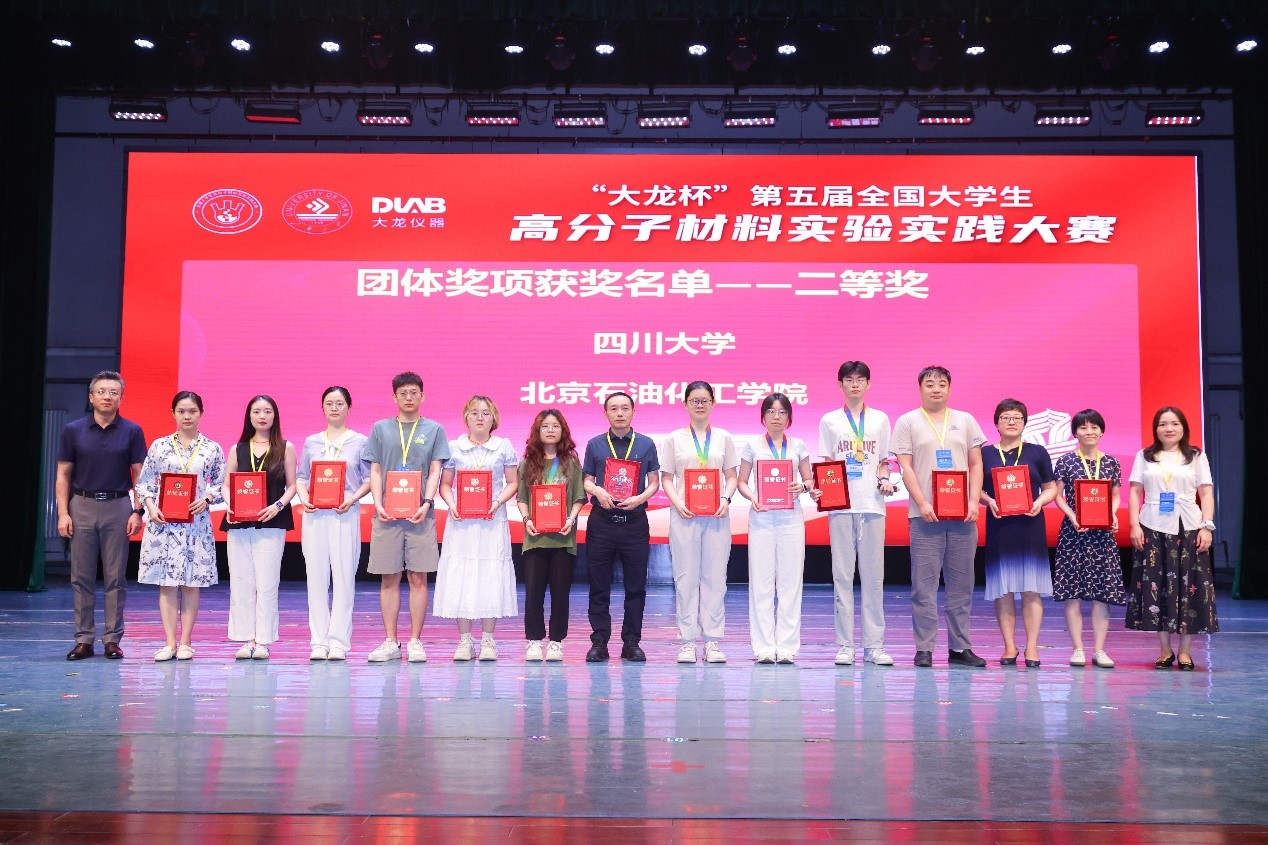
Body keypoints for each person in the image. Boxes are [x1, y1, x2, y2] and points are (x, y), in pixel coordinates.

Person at [893, 366, 988, 668]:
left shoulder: (965, 420)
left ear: (949, 388)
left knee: (962, 586)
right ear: (920, 388)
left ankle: (960, 647)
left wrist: (973, 500)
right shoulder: (907, 421)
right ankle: (924, 648)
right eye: (930, 384)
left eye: (942, 384)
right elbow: (905, 467)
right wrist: (921, 502)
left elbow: (976, 464)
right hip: (925, 516)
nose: (936, 389)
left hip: (963, 518)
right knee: (924, 587)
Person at [56, 370, 147, 660]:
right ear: (91, 396)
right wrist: (63, 513)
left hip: (118, 507)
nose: (107, 397)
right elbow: (63, 475)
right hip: (81, 505)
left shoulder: (132, 431)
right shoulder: (73, 430)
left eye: (113, 392)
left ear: (121, 398)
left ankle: (112, 640)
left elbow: (139, 475)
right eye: (102, 392)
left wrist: (138, 510)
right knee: (81, 577)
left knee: (115, 578)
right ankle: (84, 640)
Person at [363, 372, 449, 664]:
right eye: (403, 393)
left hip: (420, 514)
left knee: (418, 577)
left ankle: (415, 641)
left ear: (422, 396)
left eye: (414, 393)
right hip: (387, 514)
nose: (409, 398)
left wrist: (427, 502)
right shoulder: (380, 429)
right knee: (389, 577)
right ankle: (390, 641)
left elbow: (435, 469)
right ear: (395, 397)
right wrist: (378, 503)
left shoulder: (434, 429)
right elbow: (375, 470)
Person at [135, 391, 225, 661]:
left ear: (201, 413)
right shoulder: (159, 446)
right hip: (163, 524)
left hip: (196, 524)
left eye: (192, 411)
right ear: (173, 413)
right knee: (166, 583)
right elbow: (145, 482)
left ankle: (186, 642)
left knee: (191, 583)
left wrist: (207, 498)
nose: (187, 416)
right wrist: (150, 506)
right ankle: (169, 643)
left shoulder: (212, 448)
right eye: (182, 411)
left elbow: (223, 484)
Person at [817, 361, 896, 667]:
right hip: (840, 507)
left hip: (873, 505)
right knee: (842, 576)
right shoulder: (830, 420)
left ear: (868, 384)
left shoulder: (880, 419)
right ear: (840, 385)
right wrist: (823, 491)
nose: (854, 385)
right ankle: (845, 645)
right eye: (848, 380)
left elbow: (883, 461)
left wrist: (885, 480)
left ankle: (874, 646)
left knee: (874, 578)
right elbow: (827, 462)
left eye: (860, 380)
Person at [1127, 406, 1218, 670]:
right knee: (1157, 587)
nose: (1169, 429)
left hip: (1188, 527)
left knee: (1189, 588)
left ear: (1183, 428)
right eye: (1163, 424)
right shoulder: (1145, 455)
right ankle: (1165, 650)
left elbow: (1206, 492)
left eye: (1175, 423)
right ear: (1156, 429)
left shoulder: (1196, 455)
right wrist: (1134, 526)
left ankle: (1185, 651)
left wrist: (1206, 526)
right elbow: (1134, 492)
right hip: (1152, 526)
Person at [659, 381, 740, 664]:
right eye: (694, 400)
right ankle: (687, 641)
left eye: (705, 400)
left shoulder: (724, 437)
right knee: (686, 578)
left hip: (717, 516)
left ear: (713, 403)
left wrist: (726, 499)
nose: (700, 405)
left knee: (715, 579)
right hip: (685, 516)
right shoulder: (674, 438)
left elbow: (731, 476)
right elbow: (666, 478)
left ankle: (713, 641)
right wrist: (678, 503)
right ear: (685, 404)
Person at [435, 396, 519, 662]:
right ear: (466, 417)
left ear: (494, 418)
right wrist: (452, 505)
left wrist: (496, 503)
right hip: (461, 521)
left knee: (490, 575)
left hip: (492, 520)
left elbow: (513, 482)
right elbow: (445, 484)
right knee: (462, 575)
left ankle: (488, 640)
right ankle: (464, 641)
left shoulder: (503, 446)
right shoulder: (454, 447)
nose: (480, 417)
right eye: (474, 413)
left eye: (485, 413)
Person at [737, 393, 818, 664]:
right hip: (761, 517)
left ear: (789, 417)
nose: (776, 417)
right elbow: (742, 481)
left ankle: (786, 647)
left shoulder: (799, 446)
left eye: (782, 412)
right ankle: (763, 647)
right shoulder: (752, 446)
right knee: (760, 582)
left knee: (790, 583)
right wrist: (753, 497)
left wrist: (802, 486)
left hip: (790, 518)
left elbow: (809, 480)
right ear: (763, 416)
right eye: (771, 411)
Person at [581, 392, 660, 662]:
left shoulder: (646, 444)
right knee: (598, 586)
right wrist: (597, 491)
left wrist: (640, 498)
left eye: (625, 408)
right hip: (602, 523)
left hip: (634, 523)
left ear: (633, 412)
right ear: (605, 413)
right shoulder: (595, 444)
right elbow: (587, 480)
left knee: (635, 586)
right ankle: (599, 642)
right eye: (614, 409)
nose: (619, 413)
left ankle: (631, 642)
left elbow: (654, 482)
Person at [979, 399, 1058, 668]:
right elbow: (975, 489)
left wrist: (1039, 502)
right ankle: (1009, 646)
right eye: (1005, 417)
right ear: (996, 423)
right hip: (999, 526)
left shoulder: (1037, 452)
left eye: (1017, 417)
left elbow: (1050, 488)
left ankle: (1032, 646)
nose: (1011, 422)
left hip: (1030, 525)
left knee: (1031, 589)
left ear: (1025, 423)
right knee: (1003, 590)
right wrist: (989, 500)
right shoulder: (985, 454)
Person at [295, 386, 370, 662]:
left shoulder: (360, 441)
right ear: (323, 408)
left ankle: (338, 641)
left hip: (344, 515)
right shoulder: (312, 442)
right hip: (315, 516)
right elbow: (301, 478)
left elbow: (368, 479)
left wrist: (352, 500)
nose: (335, 408)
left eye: (340, 403)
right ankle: (318, 641)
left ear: (349, 407)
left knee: (344, 578)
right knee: (315, 579)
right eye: (329, 403)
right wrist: (305, 500)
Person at [224, 395, 297, 660]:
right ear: (249, 416)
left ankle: (263, 640)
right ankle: (247, 639)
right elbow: (226, 484)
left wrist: (278, 505)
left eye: (267, 411)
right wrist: (231, 504)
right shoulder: (238, 448)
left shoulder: (285, 447)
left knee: (267, 583)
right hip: (239, 523)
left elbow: (293, 486)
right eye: (257, 411)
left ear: (275, 416)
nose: (262, 416)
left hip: (271, 522)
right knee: (241, 581)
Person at [1052, 409, 1125, 669]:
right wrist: (1073, 516)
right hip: (1074, 534)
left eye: (1094, 427)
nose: (1089, 431)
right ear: (1075, 433)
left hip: (1103, 536)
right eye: (1083, 427)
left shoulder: (1112, 463)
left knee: (1102, 594)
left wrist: (1112, 514)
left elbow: (1115, 495)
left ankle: (1099, 650)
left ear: (1102, 431)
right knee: (1072, 593)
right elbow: (1057, 495)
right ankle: (1078, 649)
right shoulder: (1065, 461)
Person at [516, 409, 586, 662]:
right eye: (545, 426)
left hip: (563, 538)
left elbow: (579, 497)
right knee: (533, 593)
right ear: (538, 430)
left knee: (560, 593)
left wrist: (570, 519)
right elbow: (522, 498)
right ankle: (534, 641)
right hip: (535, 538)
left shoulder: (571, 463)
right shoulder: (527, 463)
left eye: (555, 426)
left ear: (562, 430)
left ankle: (556, 641)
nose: (550, 430)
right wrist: (527, 520)